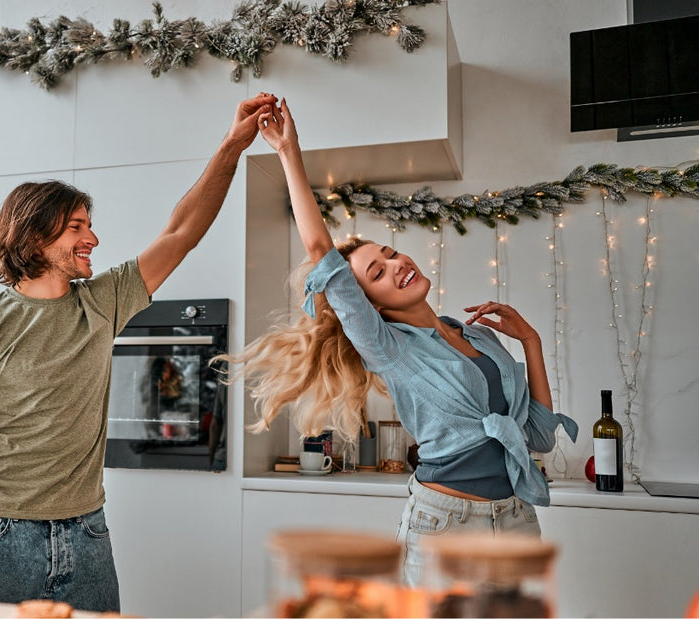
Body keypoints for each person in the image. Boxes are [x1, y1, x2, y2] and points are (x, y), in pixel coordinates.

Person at [0, 92, 277, 611]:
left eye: (89, 226)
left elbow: (182, 232)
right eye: (77, 227)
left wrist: (233, 144)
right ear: (33, 236)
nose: (93, 238)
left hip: (88, 536)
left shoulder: (103, 302)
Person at [225, 97, 578, 585]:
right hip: (445, 526)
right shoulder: (388, 348)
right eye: (379, 271)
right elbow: (320, 252)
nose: (397, 264)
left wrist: (532, 343)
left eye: (391, 253)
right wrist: (289, 151)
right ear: (368, 305)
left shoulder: (477, 336)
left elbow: (539, 437)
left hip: (517, 520)